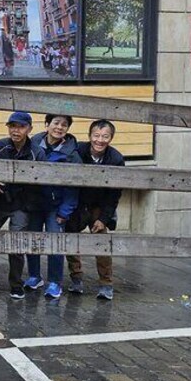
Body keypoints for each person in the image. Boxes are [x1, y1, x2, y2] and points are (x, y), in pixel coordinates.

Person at [0, 111, 46, 299]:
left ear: (29, 129)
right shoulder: (0, 146)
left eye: (20, 126)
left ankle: (16, 283)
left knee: (17, 242)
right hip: (0, 201)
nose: (16, 130)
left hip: (22, 203)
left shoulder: (37, 152)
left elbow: (41, 181)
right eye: (12, 126)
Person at [66, 120, 125, 300]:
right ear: (90, 136)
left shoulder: (116, 159)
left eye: (105, 136)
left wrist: (104, 218)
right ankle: (76, 278)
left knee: (102, 242)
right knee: (71, 239)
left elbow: (114, 194)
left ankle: (106, 283)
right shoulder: (78, 151)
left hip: (100, 204)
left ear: (111, 138)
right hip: (77, 202)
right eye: (96, 136)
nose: (100, 140)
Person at [26, 114, 81, 299]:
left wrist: (65, 211)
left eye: (64, 125)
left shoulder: (72, 153)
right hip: (34, 203)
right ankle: (34, 276)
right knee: (32, 240)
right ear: (47, 124)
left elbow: (74, 186)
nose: (59, 127)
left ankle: (55, 282)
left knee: (55, 242)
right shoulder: (32, 144)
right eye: (56, 123)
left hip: (56, 206)